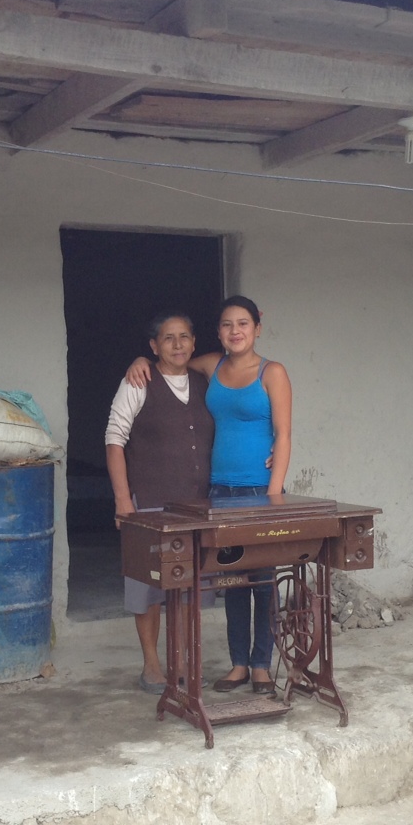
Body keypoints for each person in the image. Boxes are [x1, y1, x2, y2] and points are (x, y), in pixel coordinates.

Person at [127, 296, 292, 697]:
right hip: (220, 490)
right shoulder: (212, 365)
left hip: (259, 489)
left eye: (243, 324)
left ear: (257, 326)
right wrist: (141, 361)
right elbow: (172, 361)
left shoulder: (273, 372)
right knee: (232, 581)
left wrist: (273, 494)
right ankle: (238, 664)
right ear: (218, 332)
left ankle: (261, 665)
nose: (235, 331)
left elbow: (284, 435)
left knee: (264, 580)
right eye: (227, 325)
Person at [106, 313, 215, 693]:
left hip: (196, 505)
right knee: (147, 586)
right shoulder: (139, 381)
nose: (178, 344)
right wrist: (123, 499)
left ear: (194, 343)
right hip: (149, 502)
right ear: (153, 347)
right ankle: (152, 664)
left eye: (185, 336)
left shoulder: (204, 383)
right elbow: (115, 439)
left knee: (188, 586)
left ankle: (182, 659)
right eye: (168, 338)